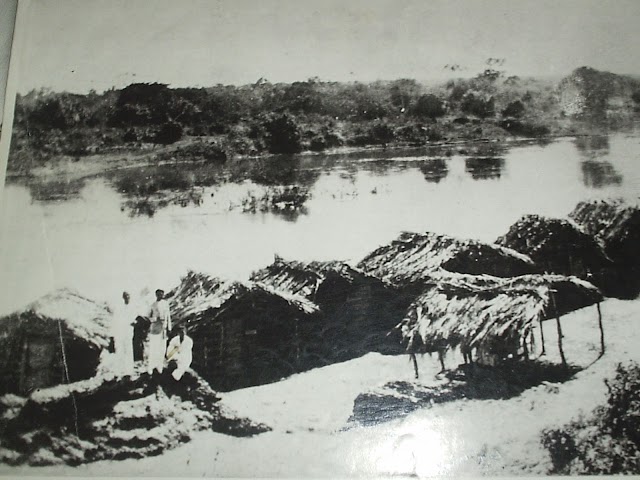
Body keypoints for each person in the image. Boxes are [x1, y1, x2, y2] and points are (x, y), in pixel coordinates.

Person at [110, 291, 136, 376]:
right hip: (120, 332)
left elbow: (135, 318)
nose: (127, 297)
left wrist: (134, 323)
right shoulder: (119, 308)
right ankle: (118, 371)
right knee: (120, 351)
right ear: (123, 297)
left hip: (128, 332)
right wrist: (113, 334)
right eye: (125, 296)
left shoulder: (132, 308)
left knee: (128, 350)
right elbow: (115, 320)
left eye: (128, 296)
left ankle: (129, 371)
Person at [147, 289, 171, 375]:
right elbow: (148, 317)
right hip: (154, 330)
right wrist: (154, 319)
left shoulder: (166, 304)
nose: (160, 296)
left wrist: (169, 328)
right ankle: (151, 367)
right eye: (159, 294)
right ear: (156, 295)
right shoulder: (152, 305)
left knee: (162, 349)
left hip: (163, 330)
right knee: (153, 349)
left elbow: (168, 316)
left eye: (162, 294)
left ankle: (159, 367)